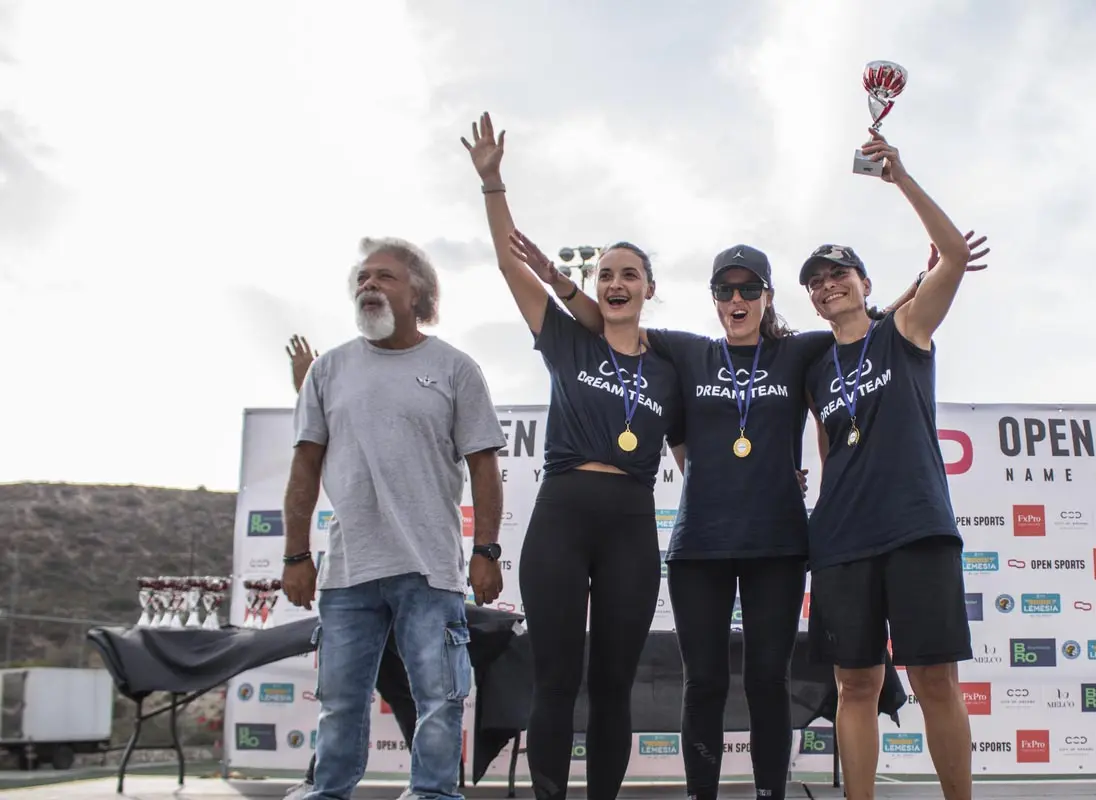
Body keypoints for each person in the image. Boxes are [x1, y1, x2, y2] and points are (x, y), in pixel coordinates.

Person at [517, 235, 988, 800]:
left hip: (779, 546)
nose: (736, 299)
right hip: (700, 547)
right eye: (725, 290)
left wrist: (920, 283)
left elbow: (862, 325)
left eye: (748, 289)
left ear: (767, 296)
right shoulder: (686, 351)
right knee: (704, 684)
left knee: (769, 682)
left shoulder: (800, 352)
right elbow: (613, 320)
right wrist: (562, 285)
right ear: (714, 298)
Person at [461, 111, 684, 800]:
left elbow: (695, 456)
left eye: (630, 274)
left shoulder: (671, 367)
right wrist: (494, 184)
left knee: (614, 684)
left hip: (631, 525)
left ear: (649, 288)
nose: (617, 282)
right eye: (606, 273)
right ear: (595, 283)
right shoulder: (568, 340)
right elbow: (509, 262)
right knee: (555, 679)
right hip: (562, 515)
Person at [281, 237, 508, 800]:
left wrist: (486, 550)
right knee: (340, 701)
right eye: (363, 277)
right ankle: (328, 791)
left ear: (419, 294)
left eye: (385, 276)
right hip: (349, 571)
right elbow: (305, 466)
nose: (369, 285)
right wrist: (295, 554)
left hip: (430, 568)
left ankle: (433, 793)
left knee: (439, 698)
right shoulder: (328, 370)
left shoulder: (455, 368)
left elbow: (484, 466)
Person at [800, 129, 977, 800]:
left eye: (838, 275)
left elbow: (955, 255)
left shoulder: (904, 331)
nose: (827, 286)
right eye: (816, 283)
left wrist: (898, 176)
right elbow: (828, 449)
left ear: (864, 284)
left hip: (915, 529)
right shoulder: (816, 367)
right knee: (855, 685)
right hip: (842, 542)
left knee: (934, 680)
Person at [281, 334, 418, 800]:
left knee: (402, 685)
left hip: (410, 567)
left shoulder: (415, 402)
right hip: (356, 571)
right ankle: (322, 780)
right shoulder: (344, 410)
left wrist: (310, 385)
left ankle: (431, 783)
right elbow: (331, 431)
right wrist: (309, 386)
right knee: (346, 691)